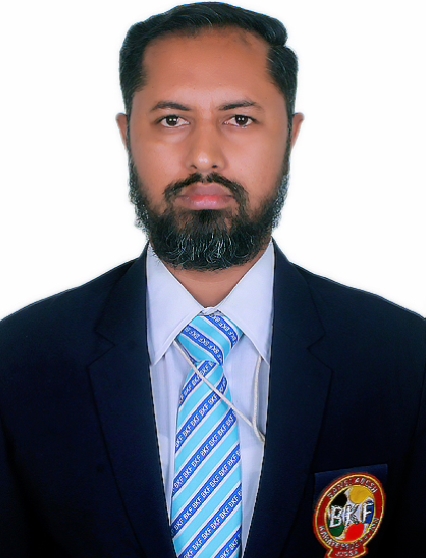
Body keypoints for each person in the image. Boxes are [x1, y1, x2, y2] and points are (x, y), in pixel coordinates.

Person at [0, 3, 425, 557]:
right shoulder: (18, 362)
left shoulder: (404, 360)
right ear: (127, 135)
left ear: (290, 134)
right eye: (171, 120)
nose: (204, 156)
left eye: (240, 119)